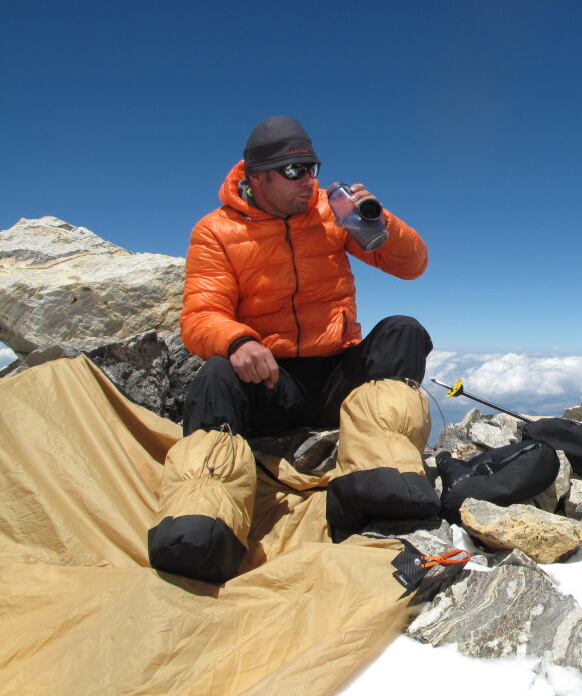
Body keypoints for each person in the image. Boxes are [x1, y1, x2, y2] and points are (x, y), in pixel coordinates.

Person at [148, 115, 439, 583]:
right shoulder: (216, 231)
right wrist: (237, 340)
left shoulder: (332, 214)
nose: (309, 181)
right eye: (294, 171)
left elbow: (413, 265)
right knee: (216, 376)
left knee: (403, 331)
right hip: (271, 382)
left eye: (312, 167)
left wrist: (376, 219)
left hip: (336, 381)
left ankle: (377, 481)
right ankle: (202, 525)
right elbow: (200, 315)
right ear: (256, 176)